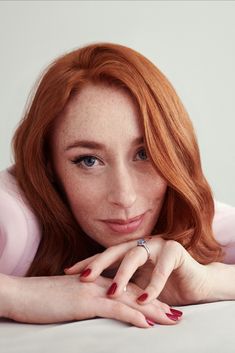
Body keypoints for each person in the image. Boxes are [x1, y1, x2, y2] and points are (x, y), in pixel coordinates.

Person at [0, 42, 235, 328]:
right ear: (49, 166)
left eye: (144, 154)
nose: (125, 197)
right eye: (88, 160)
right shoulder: (12, 215)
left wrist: (207, 281)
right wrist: (16, 295)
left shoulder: (187, 216)